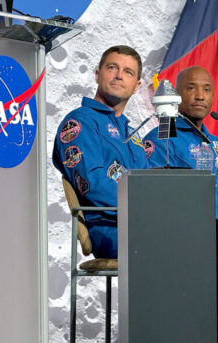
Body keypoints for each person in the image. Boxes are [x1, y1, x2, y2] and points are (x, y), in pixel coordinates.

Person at [53, 45, 148, 259]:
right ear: (97, 74)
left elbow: (148, 183)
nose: (119, 76)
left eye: (128, 72)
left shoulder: (133, 134)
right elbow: (93, 185)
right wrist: (147, 210)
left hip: (141, 226)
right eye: (112, 67)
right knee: (184, 244)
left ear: (136, 86)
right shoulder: (79, 122)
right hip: (110, 228)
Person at [143, 66, 218, 218]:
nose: (200, 96)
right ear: (177, 96)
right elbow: (156, 198)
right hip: (185, 230)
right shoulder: (161, 139)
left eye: (206, 90)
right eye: (191, 88)